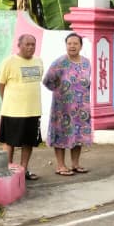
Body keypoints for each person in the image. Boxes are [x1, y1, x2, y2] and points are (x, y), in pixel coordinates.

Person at [43, 33, 93, 177]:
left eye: (75, 43)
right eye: (69, 43)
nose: (72, 46)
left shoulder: (86, 63)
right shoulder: (60, 62)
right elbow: (47, 81)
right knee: (61, 135)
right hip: (62, 108)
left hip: (81, 107)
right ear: (66, 45)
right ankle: (60, 165)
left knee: (78, 135)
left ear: (81, 46)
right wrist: (60, 93)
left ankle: (75, 164)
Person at [0, 34, 44, 181]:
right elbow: (1, 84)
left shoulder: (38, 61)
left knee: (28, 142)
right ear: (19, 45)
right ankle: (8, 171)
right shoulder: (9, 62)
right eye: (27, 44)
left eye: (33, 44)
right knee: (9, 142)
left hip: (33, 111)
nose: (30, 47)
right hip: (13, 111)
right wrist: (7, 100)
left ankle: (23, 170)